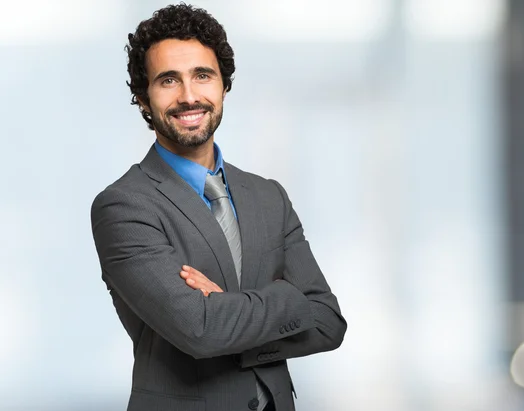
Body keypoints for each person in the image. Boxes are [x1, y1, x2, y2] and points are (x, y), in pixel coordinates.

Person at [90, 4, 347, 411]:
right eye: (168, 80)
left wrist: (228, 309)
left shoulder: (268, 196)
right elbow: (200, 329)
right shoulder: (123, 206)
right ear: (142, 97)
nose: (188, 96)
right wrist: (286, 299)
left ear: (224, 85)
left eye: (202, 75)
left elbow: (329, 322)